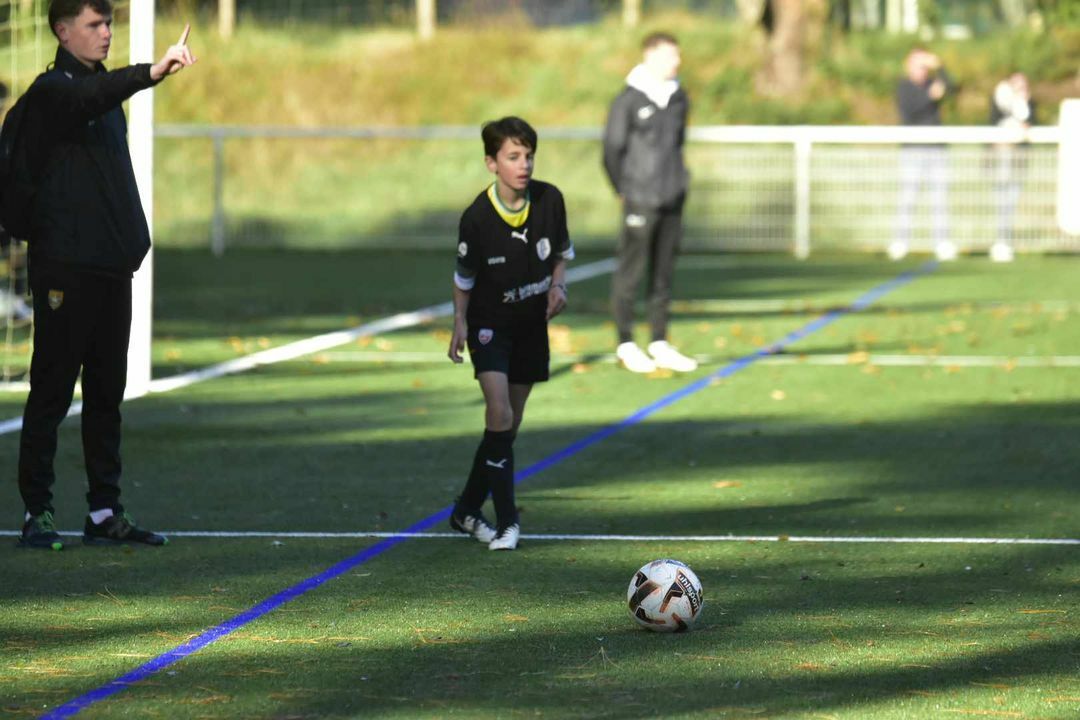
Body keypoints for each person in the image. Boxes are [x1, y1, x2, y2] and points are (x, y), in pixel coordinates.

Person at [16, 0, 196, 550]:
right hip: (64, 270)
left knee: (105, 393)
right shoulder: (54, 92)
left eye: (109, 23)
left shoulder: (102, 96)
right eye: (95, 25)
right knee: (50, 390)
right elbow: (88, 95)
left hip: (109, 269)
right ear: (62, 30)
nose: (106, 33)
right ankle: (37, 513)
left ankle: (103, 511)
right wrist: (151, 72)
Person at [447, 117, 573, 551]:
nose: (524, 165)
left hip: (531, 327)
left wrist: (558, 284)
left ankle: (466, 509)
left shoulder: (550, 200)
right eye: (513, 157)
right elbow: (463, 278)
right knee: (498, 415)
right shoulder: (477, 219)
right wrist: (459, 322)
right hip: (489, 327)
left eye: (529, 156)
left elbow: (560, 255)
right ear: (491, 163)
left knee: (508, 426)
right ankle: (508, 522)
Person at [602, 31, 697, 374]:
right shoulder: (627, 100)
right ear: (652, 56)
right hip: (639, 199)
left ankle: (659, 340)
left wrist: (679, 183)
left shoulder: (679, 97)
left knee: (663, 273)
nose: (677, 62)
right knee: (631, 272)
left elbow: (678, 144)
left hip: (672, 196)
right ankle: (626, 342)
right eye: (672, 55)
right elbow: (612, 150)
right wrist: (623, 189)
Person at [891, 48, 956, 262]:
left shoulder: (933, 82)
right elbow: (910, 110)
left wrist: (941, 66)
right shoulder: (904, 87)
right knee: (908, 197)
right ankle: (901, 241)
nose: (922, 70)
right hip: (913, 150)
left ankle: (942, 242)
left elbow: (952, 88)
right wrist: (929, 96)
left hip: (936, 148)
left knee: (939, 198)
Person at [989, 72, 1035, 263]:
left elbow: (1031, 121)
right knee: (1002, 199)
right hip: (1002, 155)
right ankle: (1001, 240)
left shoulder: (1029, 103)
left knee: (1012, 199)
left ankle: (1007, 240)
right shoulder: (1001, 98)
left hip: (1019, 157)